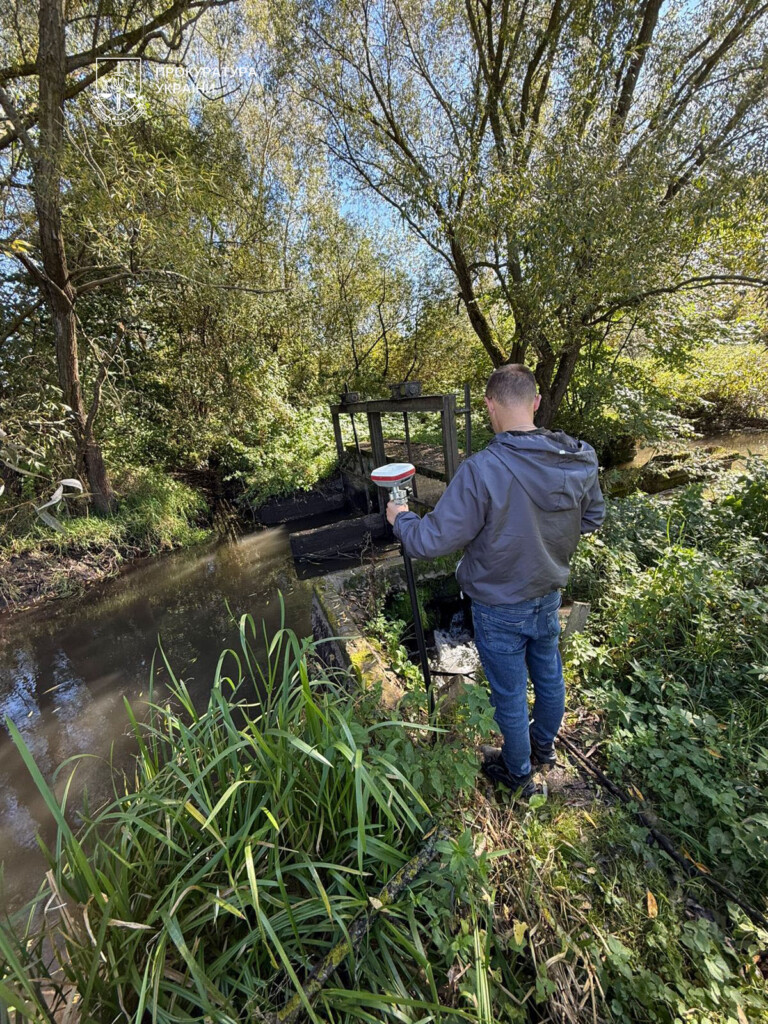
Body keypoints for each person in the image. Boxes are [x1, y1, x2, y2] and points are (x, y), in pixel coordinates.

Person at [386, 364, 605, 798]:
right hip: (548, 594)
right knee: (549, 677)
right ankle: (544, 749)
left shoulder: (482, 468)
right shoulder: (579, 458)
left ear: (489, 405)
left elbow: (431, 541)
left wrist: (402, 518)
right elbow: (592, 518)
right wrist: (545, 536)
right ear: (536, 402)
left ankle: (518, 772)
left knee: (508, 693)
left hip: (498, 606)